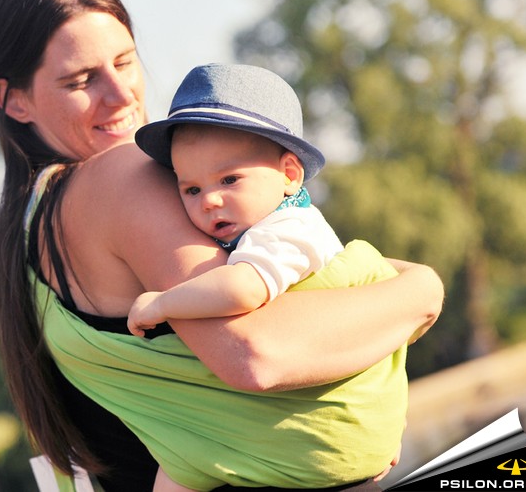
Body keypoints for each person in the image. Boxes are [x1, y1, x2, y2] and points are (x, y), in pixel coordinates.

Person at [0, 0, 444, 491]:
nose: (121, 94)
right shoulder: (119, 176)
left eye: (125, 61)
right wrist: (422, 288)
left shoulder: (23, 231)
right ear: (14, 100)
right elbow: (256, 352)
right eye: (81, 80)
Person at [128, 63, 410, 492]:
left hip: (323, 418)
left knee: (181, 464)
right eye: (192, 189)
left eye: (229, 179)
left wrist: (162, 302)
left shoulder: (287, 231)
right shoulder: (258, 229)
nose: (210, 200)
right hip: (317, 411)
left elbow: (242, 289)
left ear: (289, 175)